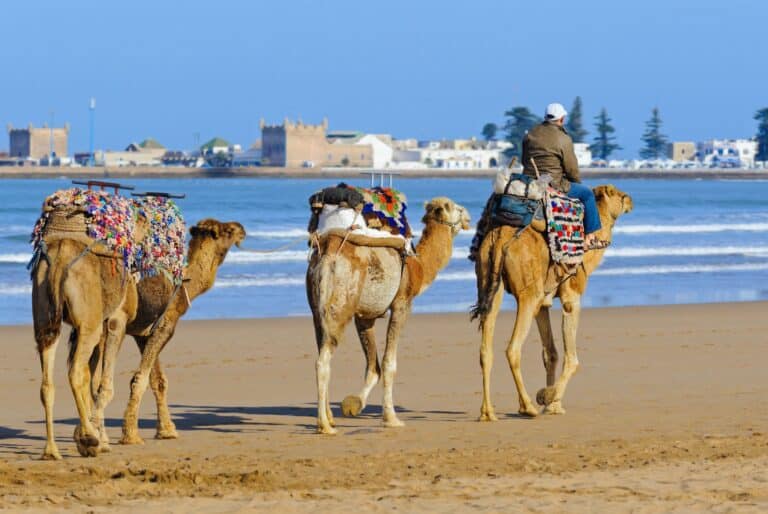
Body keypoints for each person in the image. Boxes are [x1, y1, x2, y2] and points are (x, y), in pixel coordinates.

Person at [522, 102, 608, 249]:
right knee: (587, 194)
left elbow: (524, 160)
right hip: (553, 185)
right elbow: (571, 169)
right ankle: (589, 237)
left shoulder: (530, 134)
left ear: (546, 117)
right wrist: (577, 183)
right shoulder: (563, 138)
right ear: (561, 119)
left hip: (530, 183)